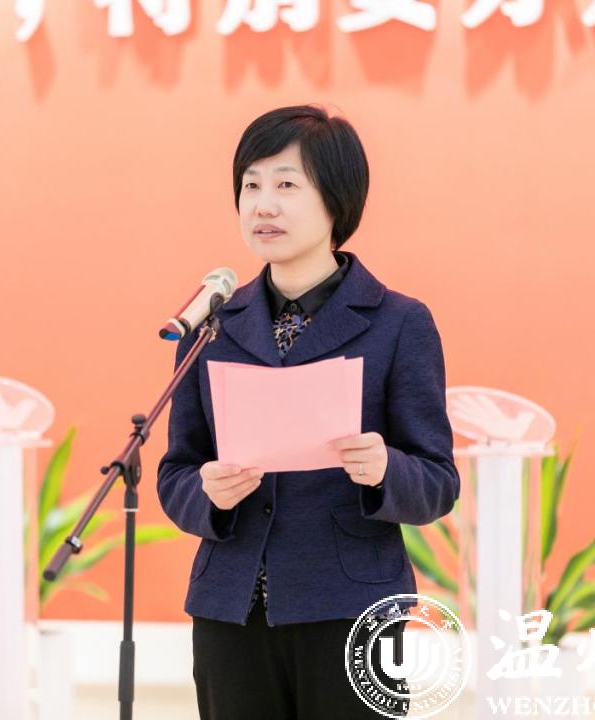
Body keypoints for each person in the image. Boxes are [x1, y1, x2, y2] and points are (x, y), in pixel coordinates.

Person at [156, 104, 459, 720]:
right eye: (250, 186)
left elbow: (437, 482)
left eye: (286, 185)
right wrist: (206, 491)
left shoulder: (399, 323)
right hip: (231, 610)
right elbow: (176, 472)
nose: (263, 206)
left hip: (351, 612)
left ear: (336, 200)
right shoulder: (212, 326)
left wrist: (385, 469)